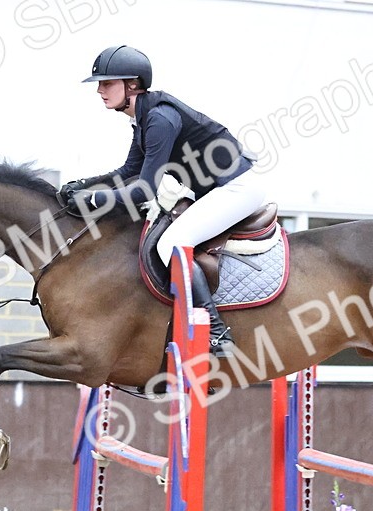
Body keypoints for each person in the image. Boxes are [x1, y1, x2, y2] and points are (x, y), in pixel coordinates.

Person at [60, 45, 265, 358]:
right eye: (99, 84)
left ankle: (215, 332)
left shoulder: (160, 119)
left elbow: (144, 190)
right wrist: (82, 185)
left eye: (107, 83)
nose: (100, 90)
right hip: (216, 189)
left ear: (133, 84)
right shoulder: (144, 118)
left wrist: (92, 200)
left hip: (236, 187)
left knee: (172, 243)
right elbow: (129, 171)